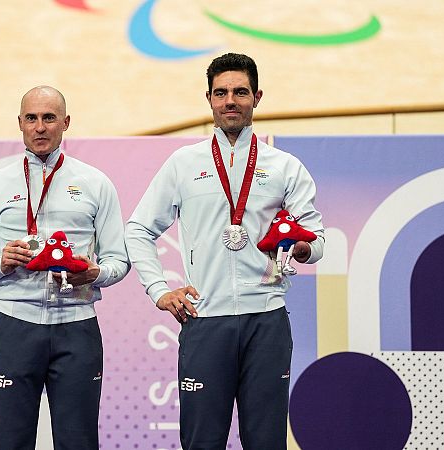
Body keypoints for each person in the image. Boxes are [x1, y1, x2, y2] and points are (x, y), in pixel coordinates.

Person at [125, 53, 325, 450]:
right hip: (206, 321)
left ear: (257, 97)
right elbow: (138, 229)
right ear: (209, 98)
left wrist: (300, 246)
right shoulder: (183, 164)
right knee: (202, 441)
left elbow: (317, 239)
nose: (230, 100)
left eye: (240, 92)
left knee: (266, 441)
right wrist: (159, 290)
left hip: (266, 319)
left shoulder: (285, 166)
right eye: (221, 93)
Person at [0, 86, 130, 449]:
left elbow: (120, 261)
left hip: (76, 325)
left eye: (49, 118)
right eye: (32, 118)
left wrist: (95, 272)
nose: (40, 127)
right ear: (19, 123)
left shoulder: (95, 183)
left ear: (65, 123)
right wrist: (0, 264)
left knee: (78, 441)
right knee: (9, 441)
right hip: (14, 326)